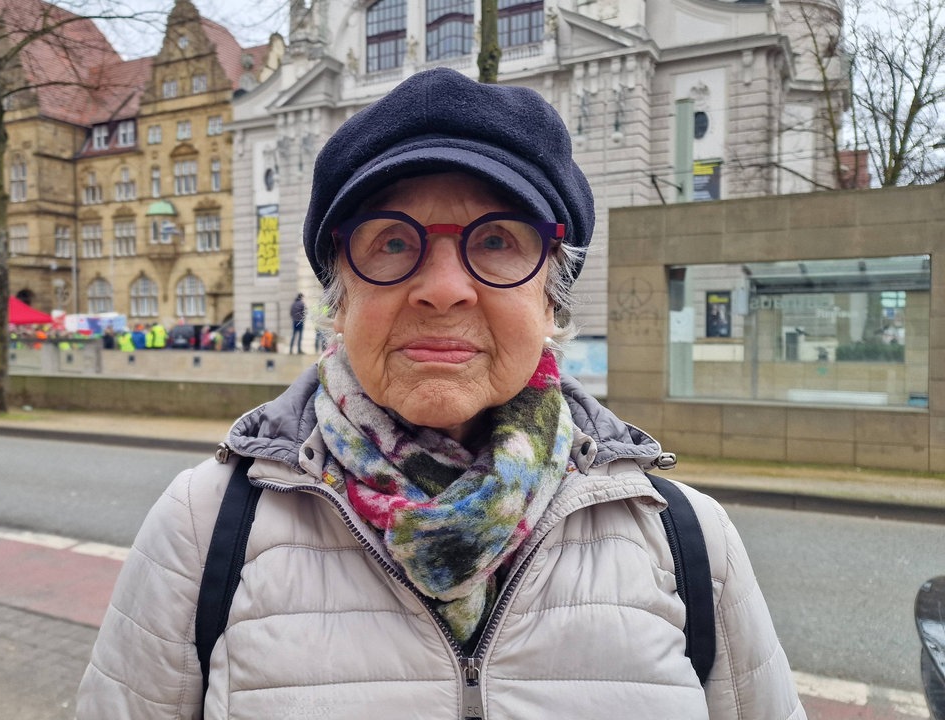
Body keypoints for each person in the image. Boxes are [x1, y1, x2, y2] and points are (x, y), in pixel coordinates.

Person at [77, 68, 802, 719]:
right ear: (339, 298)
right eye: (392, 242)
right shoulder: (204, 530)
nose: (445, 288)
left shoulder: (686, 541)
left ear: (551, 299)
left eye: (496, 242)